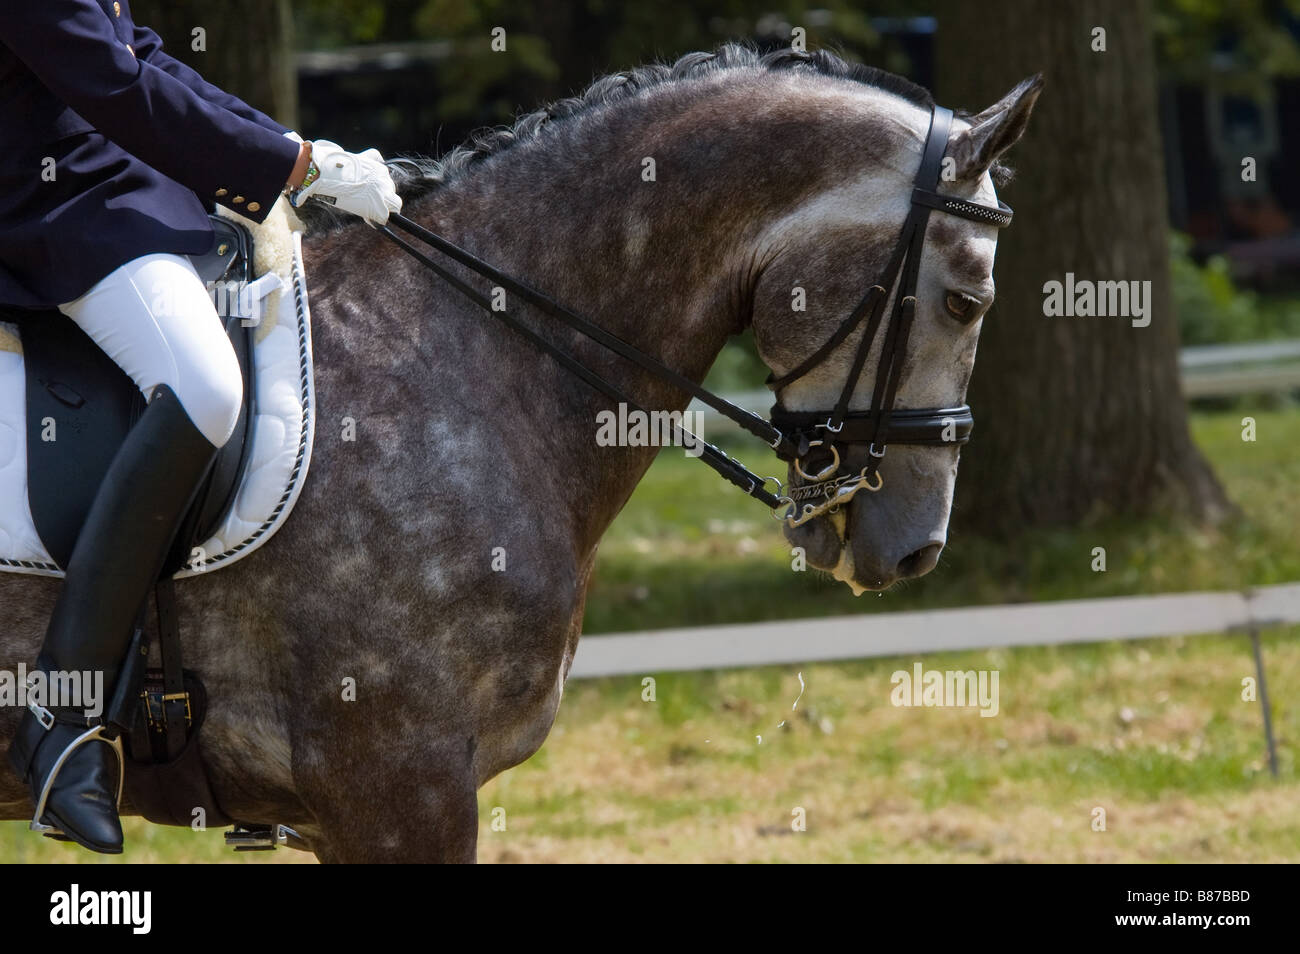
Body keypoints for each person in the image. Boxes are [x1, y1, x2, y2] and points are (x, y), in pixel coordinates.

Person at [0, 0, 401, 854]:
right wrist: (292, 166)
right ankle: (60, 717)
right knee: (203, 385)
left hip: (110, 182)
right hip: (48, 202)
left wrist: (296, 152)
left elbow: (137, 50)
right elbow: (112, 82)